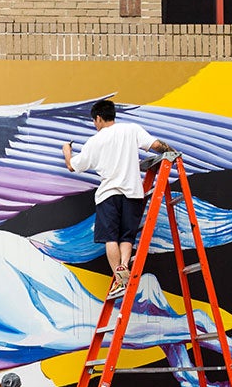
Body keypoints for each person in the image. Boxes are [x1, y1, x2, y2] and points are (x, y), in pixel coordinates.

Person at [63, 99, 173, 299]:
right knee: (126, 237)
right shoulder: (131, 130)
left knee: (110, 238)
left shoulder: (95, 141)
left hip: (109, 194)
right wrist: (172, 152)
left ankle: (119, 276)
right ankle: (123, 265)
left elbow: (73, 166)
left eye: (94, 121)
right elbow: (157, 145)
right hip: (133, 193)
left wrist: (66, 151)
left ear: (98, 118)